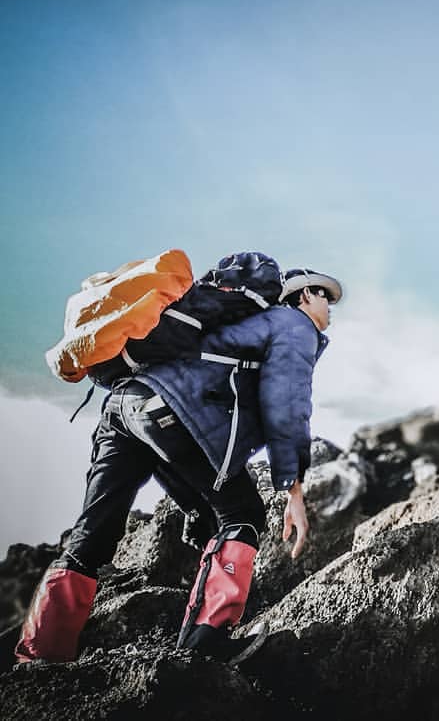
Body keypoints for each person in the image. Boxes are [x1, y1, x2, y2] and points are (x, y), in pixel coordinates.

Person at [14, 268, 342, 665]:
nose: (331, 307)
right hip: (169, 413)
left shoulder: (244, 321)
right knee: (243, 514)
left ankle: (38, 653)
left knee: (93, 532)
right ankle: (205, 642)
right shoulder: (294, 324)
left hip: (124, 405)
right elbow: (287, 404)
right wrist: (293, 488)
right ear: (304, 294)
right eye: (326, 297)